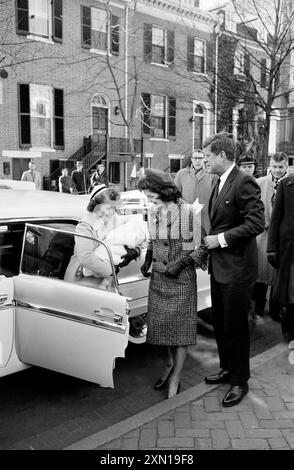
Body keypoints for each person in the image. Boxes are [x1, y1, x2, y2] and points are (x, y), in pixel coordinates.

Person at [202, 132, 265, 407]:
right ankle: (228, 368)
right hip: (220, 269)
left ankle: (240, 381)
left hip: (238, 272)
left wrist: (221, 240)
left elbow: (257, 223)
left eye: (207, 157)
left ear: (222, 156)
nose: (204, 161)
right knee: (221, 324)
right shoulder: (219, 181)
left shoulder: (244, 181)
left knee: (237, 328)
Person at [138, 168, 208, 399]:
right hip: (159, 278)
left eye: (152, 197)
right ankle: (168, 363)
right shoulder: (152, 211)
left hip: (181, 280)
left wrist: (181, 264)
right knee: (162, 328)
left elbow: (201, 246)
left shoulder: (187, 211)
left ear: (164, 192)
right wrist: (148, 258)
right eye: (148, 198)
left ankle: (176, 376)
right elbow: (152, 239)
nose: (150, 201)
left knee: (181, 332)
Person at [64, 184, 140, 287]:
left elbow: (130, 234)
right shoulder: (85, 226)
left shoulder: (113, 219)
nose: (113, 212)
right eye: (109, 208)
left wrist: (136, 251)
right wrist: (111, 269)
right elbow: (85, 257)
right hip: (81, 278)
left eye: (114, 208)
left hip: (105, 280)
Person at [252, 152, 288, 322]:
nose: (277, 170)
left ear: (286, 167)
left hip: (281, 237)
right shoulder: (259, 183)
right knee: (261, 272)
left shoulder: (290, 185)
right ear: (269, 167)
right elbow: (252, 207)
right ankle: (258, 306)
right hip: (263, 233)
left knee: (278, 274)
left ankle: (276, 308)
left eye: (281, 167)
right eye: (274, 167)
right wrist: (263, 221)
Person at [267, 172, 294, 345]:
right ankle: (290, 332)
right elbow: (276, 218)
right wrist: (271, 249)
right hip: (290, 250)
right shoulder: (287, 184)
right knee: (290, 294)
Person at [174, 150, 216, 234]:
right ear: (191, 159)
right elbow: (174, 195)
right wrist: (186, 206)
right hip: (186, 215)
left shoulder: (212, 175)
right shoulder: (181, 174)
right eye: (195, 158)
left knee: (204, 242)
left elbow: (216, 197)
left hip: (205, 217)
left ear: (204, 160)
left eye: (200, 158)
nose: (197, 161)